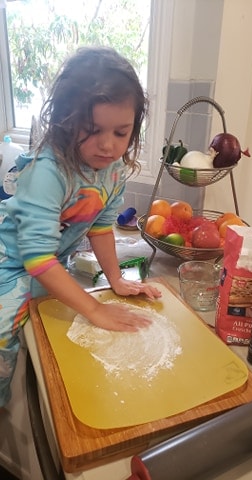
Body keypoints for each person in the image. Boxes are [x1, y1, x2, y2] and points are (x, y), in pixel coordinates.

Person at [0, 46, 161, 408]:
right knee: (3, 334)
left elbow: (101, 227)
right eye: (92, 130)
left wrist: (116, 280)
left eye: (122, 132)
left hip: (45, 259)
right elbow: (37, 258)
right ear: (65, 121)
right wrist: (94, 310)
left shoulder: (114, 170)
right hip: (9, 259)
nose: (108, 145)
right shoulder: (48, 171)